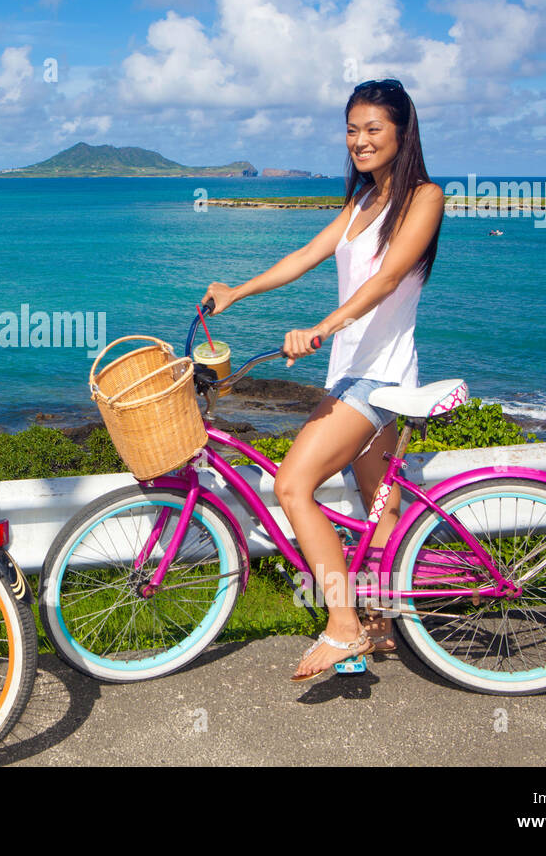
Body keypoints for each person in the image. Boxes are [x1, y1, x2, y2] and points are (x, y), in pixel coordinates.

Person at [203, 79, 443, 682]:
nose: (359, 140)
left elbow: (387, 280)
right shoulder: (361, 204)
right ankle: (384, 626)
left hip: (378, 378)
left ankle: (341, 624)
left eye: (373, 129)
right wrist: (237, 290)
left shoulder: (425, 197)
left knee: (292, 485)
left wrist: (320, 327)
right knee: (378, 512)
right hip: (357, 377)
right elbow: (303, 257)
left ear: (401, 133)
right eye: (352, 129)